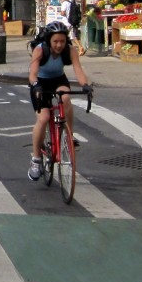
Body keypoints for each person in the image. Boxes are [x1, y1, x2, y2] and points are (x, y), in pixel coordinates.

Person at [27, 23, 91, 180]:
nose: (59, 45)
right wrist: (36, 86)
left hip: (58, 80)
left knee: (66, 97)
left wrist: (86, 86)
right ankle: (36, 159)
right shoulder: (40, 49)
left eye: (62, 41)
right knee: (43, 118)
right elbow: (32, 73)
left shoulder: (70, 50)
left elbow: (78, 70)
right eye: (56, 41)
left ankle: (68, 134)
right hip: (40, 83)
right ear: (49, 40)